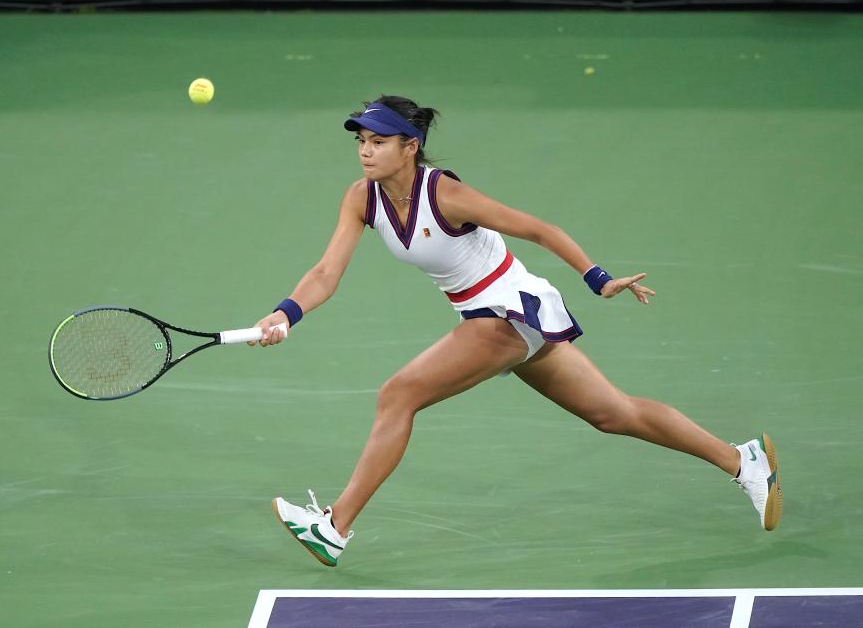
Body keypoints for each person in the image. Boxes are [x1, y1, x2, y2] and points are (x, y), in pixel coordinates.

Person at [251, 95, 782, 568]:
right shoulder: (361, 198)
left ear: (410, 147)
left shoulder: (448, 196)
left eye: (379, 141)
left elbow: (538, 229)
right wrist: (285, 314)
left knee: (398, 395)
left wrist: (597, 278)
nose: (366, 151)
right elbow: (325, 273)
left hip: (508, 312)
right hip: (493, 317)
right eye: (362, 141)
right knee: (613, 413)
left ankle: (334, 526)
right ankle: (743, 461)